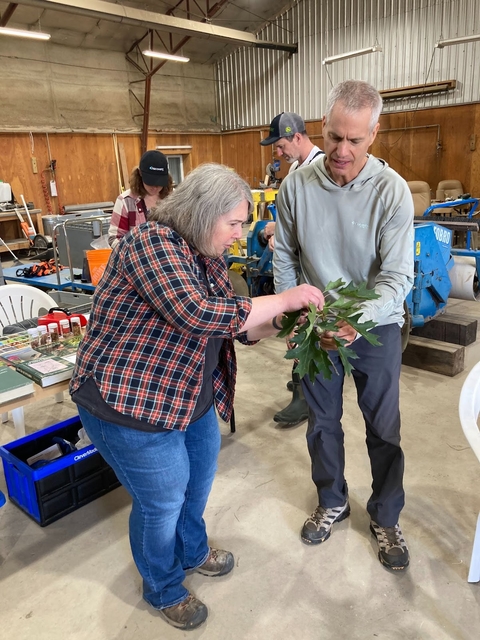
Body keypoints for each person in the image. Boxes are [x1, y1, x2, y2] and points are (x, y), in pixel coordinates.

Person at [69, 163, 324, 631]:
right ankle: (162, 585)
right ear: (205, 213)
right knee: (161, 502)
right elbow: (198, 312)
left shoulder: (205, 255)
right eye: (234, 223)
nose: (238, 234)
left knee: (196, 484)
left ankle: (192, 550)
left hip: (189, 396)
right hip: (129, 404)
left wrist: (288, 326)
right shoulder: (149, 244)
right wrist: (286, 297)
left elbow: (234, 326)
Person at [273, 80, 414, 572]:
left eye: (355, 140)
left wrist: (354, 322)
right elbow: (285, 257)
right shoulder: (296, 187)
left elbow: (398, 278)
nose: (341, 150)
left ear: (374, 134)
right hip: (315, 327)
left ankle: (386, 515)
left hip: (374, 328)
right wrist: (294, 316)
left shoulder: (392, 192)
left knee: (383, 427)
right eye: (334, 136)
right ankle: (332, 499)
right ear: (323, 128)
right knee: (322, 423)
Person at [259, 112, 324, 426]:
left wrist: (287, 242)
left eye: (281, 145)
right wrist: (278, 234)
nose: (279, 153)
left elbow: (320, 228)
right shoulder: (298, 168)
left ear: (298, 137)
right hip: (294, 265)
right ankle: (302, 383)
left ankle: (305, 398)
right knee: (295, 328)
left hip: (311, 270)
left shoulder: (320, 170)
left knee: (302, 330)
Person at [108, 149, 173, 248]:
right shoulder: (125, 201)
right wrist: (136, 252)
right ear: (140, 173)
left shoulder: (174, 199)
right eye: (150, 182)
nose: (155, 187)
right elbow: (114, 238)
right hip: (138, 260)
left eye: (160, 183)